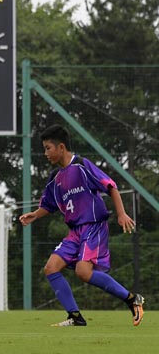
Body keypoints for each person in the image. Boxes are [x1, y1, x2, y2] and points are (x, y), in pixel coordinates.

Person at [18, 124, 144, 327]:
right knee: (51, 268)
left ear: (61, 147)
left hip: (93, 227)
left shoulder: (82, 166)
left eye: (48, 148)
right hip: (75, 232)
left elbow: (110, 186)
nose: (46, 153)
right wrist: (35, 215)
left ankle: (132, 299)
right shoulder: (55, 178)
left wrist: (121, 214)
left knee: (83, 272)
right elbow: (49, 205)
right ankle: (75, 317)